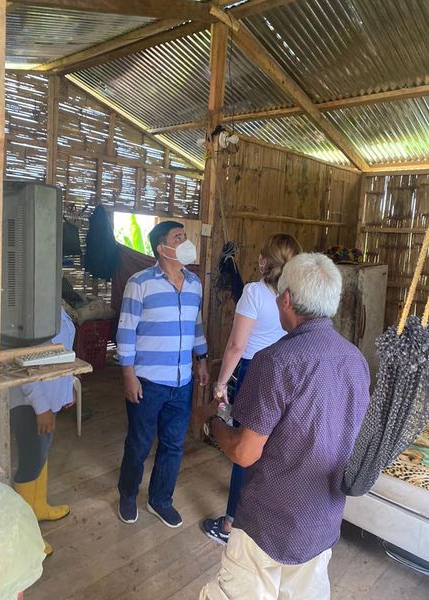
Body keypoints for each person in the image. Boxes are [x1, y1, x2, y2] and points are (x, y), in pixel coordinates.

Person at [200, 253, 370, 600]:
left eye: (279, 295)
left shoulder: (275, 361)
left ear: (287, 299)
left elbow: (245, 453)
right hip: (321, 522)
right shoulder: (355, 360)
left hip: (268, 524)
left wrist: (212, 424)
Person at [202, 233, 301, 544]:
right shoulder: (295, 295)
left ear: (264, 261)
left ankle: (230, 525)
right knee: (271, 450)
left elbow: (236, 346)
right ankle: (263, 517)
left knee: (245, 450)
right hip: (285, 375)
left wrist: (220, 383)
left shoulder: (254, 292)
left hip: (253, 374)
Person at [117, 220, 209, 528]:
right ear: (162, 248)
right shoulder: (140, 283)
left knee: (173, 445)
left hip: (182, 382)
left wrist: (202, 360)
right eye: (178, 237)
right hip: (147, 381)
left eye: (185, 236)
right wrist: (128, 375)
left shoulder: (194, 284)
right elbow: (126, 331)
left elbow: (196, 325)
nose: (186, 242)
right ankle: (128, 494)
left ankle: (160, 500)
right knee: (139, 444)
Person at [10, 307, 75, 556]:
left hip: (49, 398)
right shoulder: (26, 307)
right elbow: (21, 364)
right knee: (31, 463)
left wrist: (67, 388)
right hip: (31, 404)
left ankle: (38, 507)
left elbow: (63, 351)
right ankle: (26, 537)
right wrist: (41, 407)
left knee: (41, 453)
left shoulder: (53, 301)